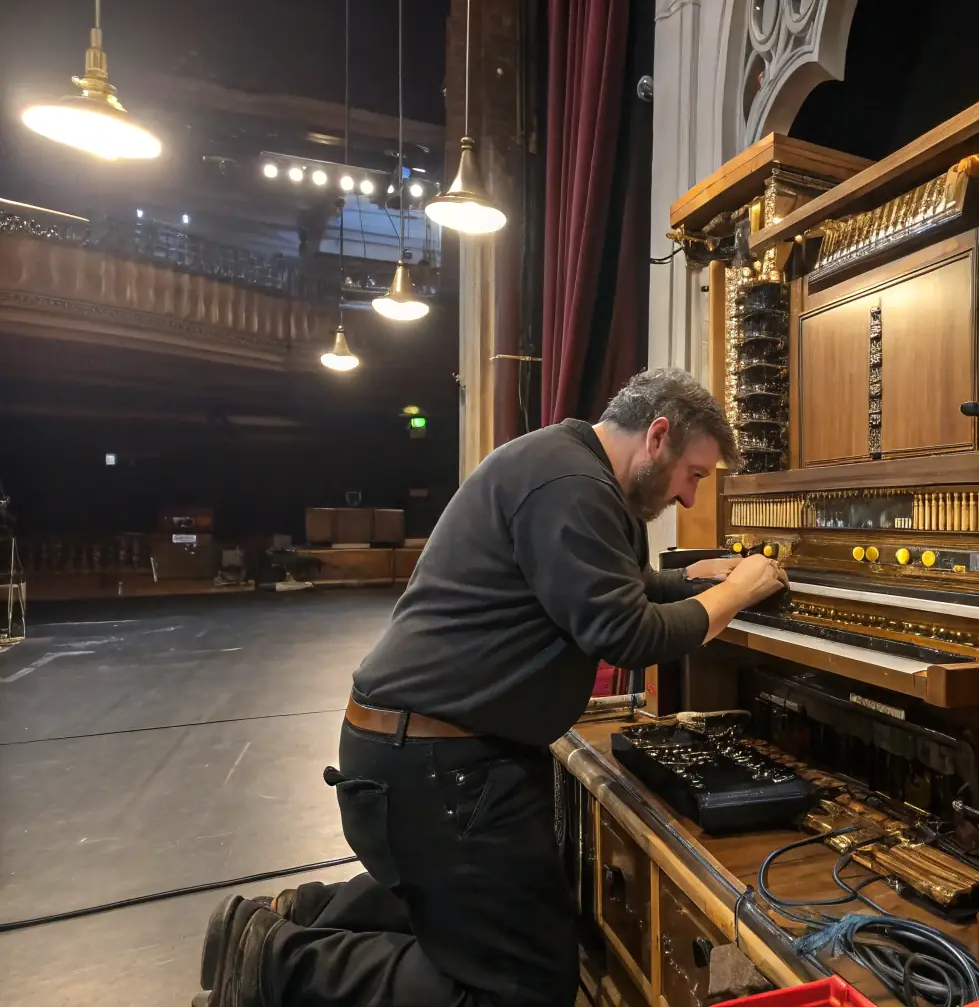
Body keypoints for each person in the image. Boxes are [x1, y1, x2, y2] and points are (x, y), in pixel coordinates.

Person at [197, 368, 788, 1007]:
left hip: (422, 753)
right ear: (658, 435)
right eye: (694, 475)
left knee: (507, 922)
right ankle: (280, 963)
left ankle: (300, 913)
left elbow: (620, 586)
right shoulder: (574, 485)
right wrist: (738, 591)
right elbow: (625, 632)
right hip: (438, 765)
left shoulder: (562, 464)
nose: (692, 499)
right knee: (521, 989)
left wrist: (697, 581)